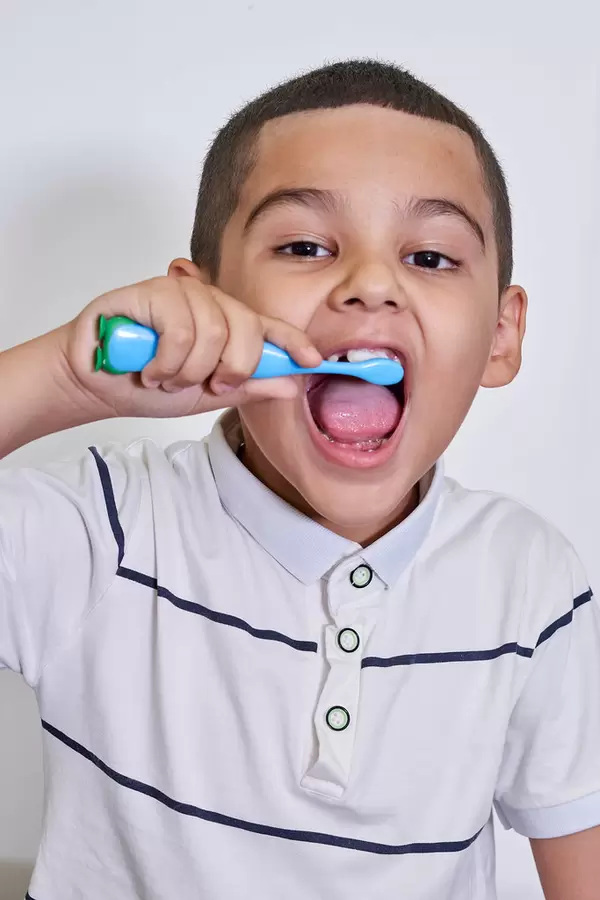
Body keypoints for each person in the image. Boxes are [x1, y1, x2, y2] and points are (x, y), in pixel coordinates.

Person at [1, 59, 599, 900]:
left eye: (429, 255)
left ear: (500, 337)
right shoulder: (103, 529)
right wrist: (59, 378)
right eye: (306, 246)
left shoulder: (532, 581)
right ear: (203, 303)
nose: (371, 286)